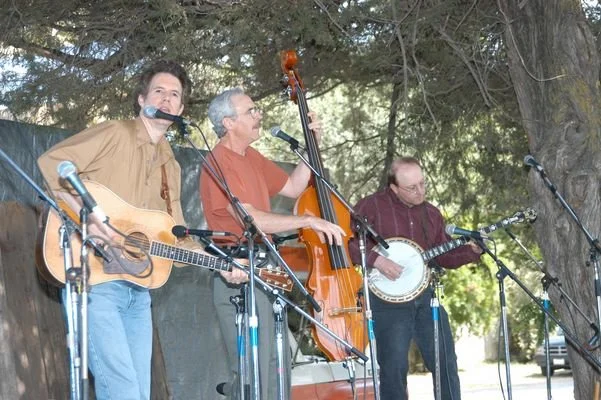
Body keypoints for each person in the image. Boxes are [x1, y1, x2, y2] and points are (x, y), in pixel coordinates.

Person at [37, 60, 199, 400]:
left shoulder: (172, 165)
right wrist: (89, 219)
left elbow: (177, 238)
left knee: (138, 392)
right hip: (94, 281)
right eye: (159, 91)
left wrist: (226, 267)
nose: (167, 99)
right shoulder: (116, 133)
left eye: (174, 95)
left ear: (181, 109)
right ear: (142, 100)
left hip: (138, 292)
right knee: (123, 390)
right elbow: (52, 165)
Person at [199, 87, 345, 399]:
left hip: (266, 265)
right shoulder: (218, 161)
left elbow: (293, 187)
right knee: (254, 367)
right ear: (228, 122)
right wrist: (307, 221)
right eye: (250, 111)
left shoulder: (251, 156)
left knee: (274, 363)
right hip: (236, 270)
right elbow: (251, 219)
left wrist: (311, 146)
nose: (259, 115)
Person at [348, 157, 482, 400]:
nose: (420, 191)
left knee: (446, 363)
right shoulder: (371, 207)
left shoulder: (431, 213)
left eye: (422, 184)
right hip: (388, 303)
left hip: (426, 298)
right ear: (394, 187)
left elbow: (444, 255)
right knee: (394, 369)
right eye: (412, 187)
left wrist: (471, 252)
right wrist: (377, 261)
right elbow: (349, 245)